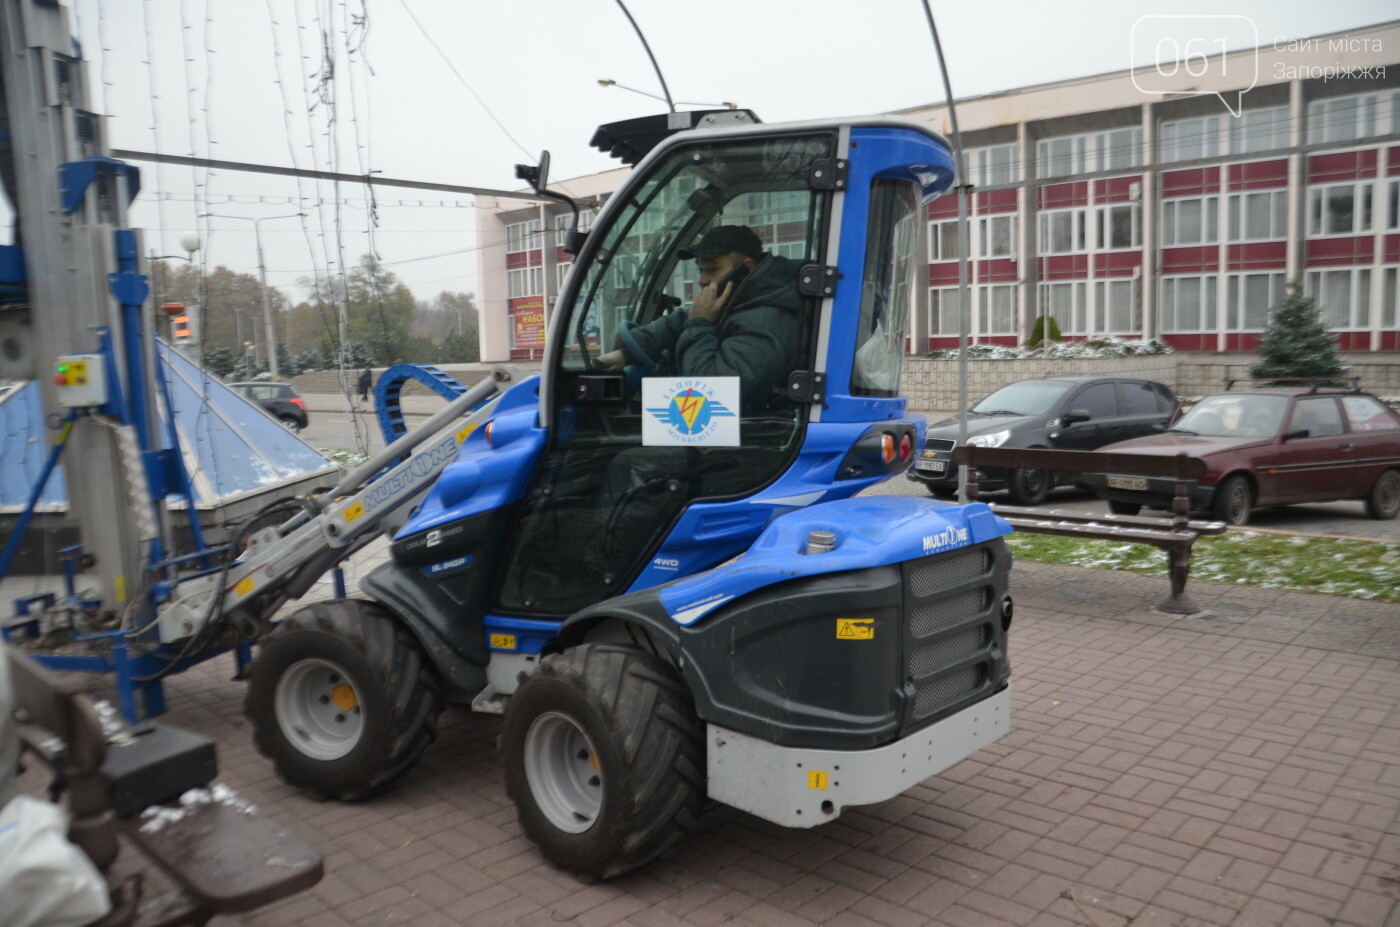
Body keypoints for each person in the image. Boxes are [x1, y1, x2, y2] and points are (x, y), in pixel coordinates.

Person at [597, 225, 804, 411]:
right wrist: (626, 353)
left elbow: (709, 392)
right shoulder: (743, 300)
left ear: (746, 269)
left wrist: (698, 325)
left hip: (750, 437)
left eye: (712, 269)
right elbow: (681, 320)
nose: (702, 280)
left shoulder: (766, 319)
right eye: (700, 270)